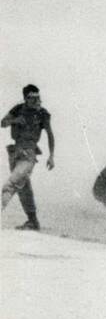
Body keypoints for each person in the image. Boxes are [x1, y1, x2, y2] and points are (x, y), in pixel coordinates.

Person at [2, 84, 55, 230]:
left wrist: (51, 156)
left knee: (11, 184)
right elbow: (2, 123)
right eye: (32, 98)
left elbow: (50, 134)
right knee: (23, 188)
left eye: (38, 97)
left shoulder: (43, 113)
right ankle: (33, 222)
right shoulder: (18, 109)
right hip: (15, 152)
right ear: (25, 99)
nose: (36, 101)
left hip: (29, 153)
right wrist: (14, 120)